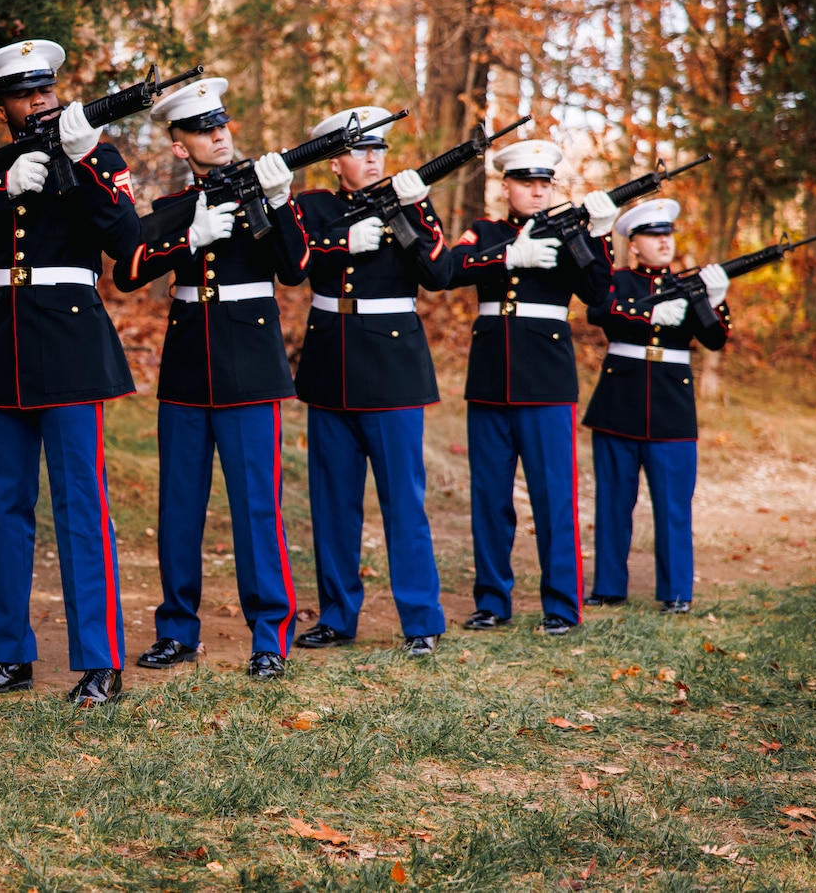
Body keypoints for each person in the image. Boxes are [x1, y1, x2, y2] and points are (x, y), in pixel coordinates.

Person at [0, 39, 149, 705]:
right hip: (3, 345)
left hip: (72, 342)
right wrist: (0, 185)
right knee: (5, 507)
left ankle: (100, 661)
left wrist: (81, 157)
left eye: (46, 88)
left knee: (81, 506)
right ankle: (9, 652)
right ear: (4, 105)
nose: (39, 100)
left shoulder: (97, 154)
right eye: (24, 93)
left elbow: (129, 244)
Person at [121, 77, 307, 679]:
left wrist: (279, 203)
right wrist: (190, 236)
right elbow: (127, 270)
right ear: (180, 146)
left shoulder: (265, 190)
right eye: (202, 129)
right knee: (179, 507)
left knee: (258, 508)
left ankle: (270, 636)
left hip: (252, 368)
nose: (218, 133)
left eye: (221, 123)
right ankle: (176, 630)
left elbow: (296, 268)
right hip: (185, 368)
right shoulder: (173, 210)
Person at [290, 106, 452, 655]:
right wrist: (344, 244)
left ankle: (422, 622)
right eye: (361, 149)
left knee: (402, 502)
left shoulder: (409, 204)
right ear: (336, 161)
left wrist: (415, 209)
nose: (373, 157)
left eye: (379, 148)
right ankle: (337, 616)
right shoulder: (311, 206)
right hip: (330, 362)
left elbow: (441, 274)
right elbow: (298, 261)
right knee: (333, 504)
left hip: (393, 370)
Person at [449, 140, 617, 636]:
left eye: (545, 183)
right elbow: (450, 270)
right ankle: (492, 601)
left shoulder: (571, 236)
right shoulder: (483, 232)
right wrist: (508, 256)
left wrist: (602, 236)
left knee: (553, 499)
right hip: (488, 383)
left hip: (546, 384)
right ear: (507, 186)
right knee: (490, 498)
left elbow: (601, 297)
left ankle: (561, 606)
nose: (538, 191)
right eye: (527, 182)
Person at [582, 198, 730, 613]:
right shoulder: (617, 280)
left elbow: (716, 339)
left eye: (668, 234)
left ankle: (677, 592)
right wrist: (648, 317)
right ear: (634, 244)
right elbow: (599, 309)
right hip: (619, 402)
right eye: (653, 235)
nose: (664, 242)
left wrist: (713, 301)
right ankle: (609, 586)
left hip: (671, 407)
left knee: (673, 505)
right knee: (612, 502)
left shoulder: (692, 286)